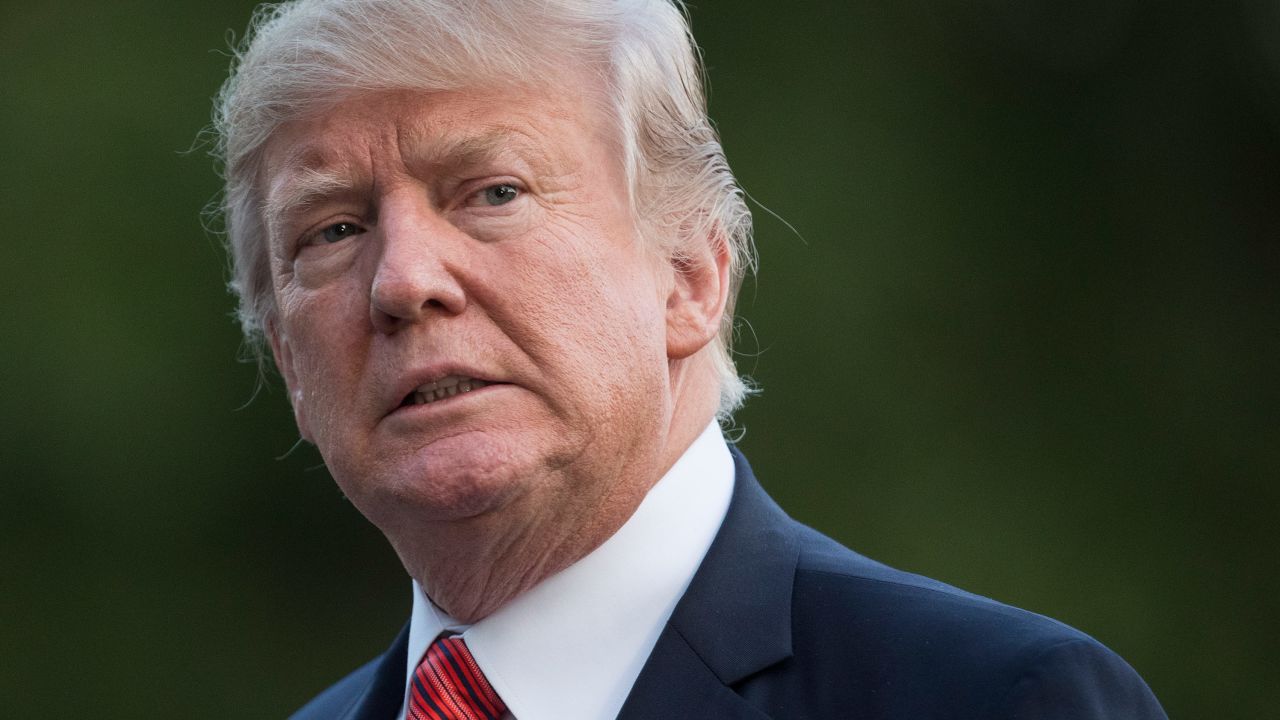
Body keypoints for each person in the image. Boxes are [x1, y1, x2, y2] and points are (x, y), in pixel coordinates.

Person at [211, 1, 1168, 718]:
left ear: (691, 278)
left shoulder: (993, 699)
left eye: (492, 192)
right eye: (334, 229)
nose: (404, 280)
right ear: (291, 364)